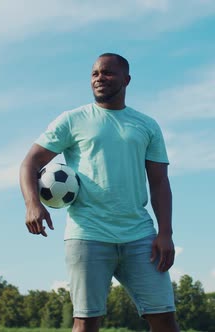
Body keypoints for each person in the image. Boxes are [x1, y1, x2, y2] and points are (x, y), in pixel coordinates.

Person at [20, 53, 179, 332]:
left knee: (165, 319)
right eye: (95, 74)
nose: (99, 78)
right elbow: (30, 162)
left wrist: (165, 232)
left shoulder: (147, 125)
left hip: (140, 236)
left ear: (126, 80)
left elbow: (159, 182)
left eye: (107, 73)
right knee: (86, 323)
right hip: (88, 235)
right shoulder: (72, 120)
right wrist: (33, 203)